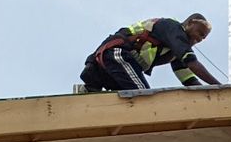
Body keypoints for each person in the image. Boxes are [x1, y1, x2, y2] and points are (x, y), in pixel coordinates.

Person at [81, 15, 222, 92]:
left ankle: (88, 91)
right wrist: (220, 88)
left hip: (110, 64)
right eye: (200, 33)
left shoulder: (175, 51)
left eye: (203, 38)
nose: (199, 39)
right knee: (143, 96)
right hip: (117, 54)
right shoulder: (173, 28)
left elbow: (190, 81)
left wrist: (209, 94)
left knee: (127, 100)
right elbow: (192, 63)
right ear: (190, 23)